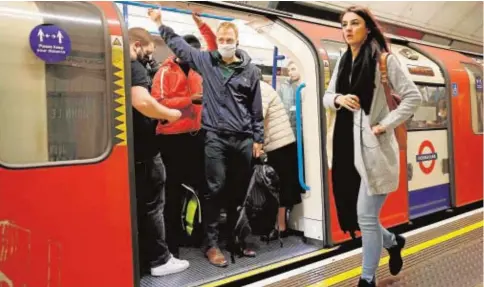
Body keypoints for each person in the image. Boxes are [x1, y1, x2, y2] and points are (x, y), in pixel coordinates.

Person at [148, 9, 264, 268]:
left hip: (244, 139)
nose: (224, 43)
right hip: (216, 138)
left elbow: (256, 109)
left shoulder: (251, 71)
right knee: (214, 190)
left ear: (237, 42)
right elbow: (179, 46)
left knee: (238, 192)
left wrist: (259, 139)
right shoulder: (207, 63)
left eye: (228, 39)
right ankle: (212, 245)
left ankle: (235, 239)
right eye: (221, 39)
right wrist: (160, 24)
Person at [323, 6, 422, 287]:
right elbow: (327, 97)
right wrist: (339, 99)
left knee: (367, 217)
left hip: (373, 149)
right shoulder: (342, 59)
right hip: (344, 149)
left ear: (368, 28)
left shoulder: (383, 60)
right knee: (360, 217)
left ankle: (367, 279)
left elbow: (412, 97)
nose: (348, 29)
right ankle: (393, 241)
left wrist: (385, 124)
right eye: (344, 24)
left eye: (355, 23)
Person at [150, 13, 217, 257]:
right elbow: (158, 102)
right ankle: (172, 244)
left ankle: (199, 236)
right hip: (171, 139)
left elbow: (215, 48)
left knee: (203, 189)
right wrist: (190, 100)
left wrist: (203, 25)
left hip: (197, 137)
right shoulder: (164, 72)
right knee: (172, 192)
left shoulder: (200, 71)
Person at [128, 27, 189, 277]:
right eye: (146, 51)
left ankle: (145, 257)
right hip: (146, 151)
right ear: (136, 44)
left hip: (133, 153)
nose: (147, 57)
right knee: (154, 206)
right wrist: (170, 114)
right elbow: (142, 102)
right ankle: (160, 260)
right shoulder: (134, 67)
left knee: (142, 207)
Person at [258, 78, 302, 241]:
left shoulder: (260, 90)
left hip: (279, 144)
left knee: (279, 188)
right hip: (277, 143)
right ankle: (278, 226)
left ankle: (281, 227)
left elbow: (258, 117)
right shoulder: (260, 89)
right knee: (279, 187)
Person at [278, 60, 302, 134]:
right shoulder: (284, 88)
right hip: (288, 128)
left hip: (304, 128)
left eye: (293, 69)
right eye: (289, 70)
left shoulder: (308, 86)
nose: (290, 73)